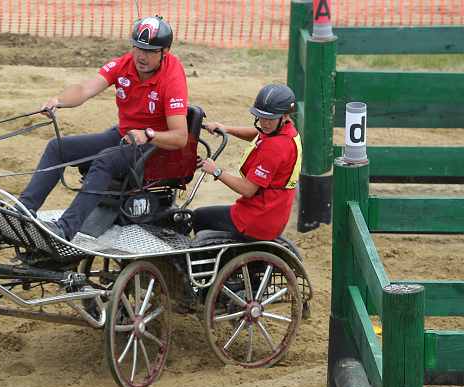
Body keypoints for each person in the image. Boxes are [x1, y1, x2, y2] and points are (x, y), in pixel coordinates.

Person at [17, 16, 189, 241]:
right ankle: (24, 212)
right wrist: (57, 100)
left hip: (153, 148)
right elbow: (84, 89)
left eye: (150, 51)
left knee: (104, 161)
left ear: (165, 51)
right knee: (58, 147)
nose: (141, 56)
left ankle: (65, 229)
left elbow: (180, 137)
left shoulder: (172, 77)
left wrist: (148, 134)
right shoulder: (123, 64)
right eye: (137, 48)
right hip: (124, 136)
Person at [194, 83, 302, 241]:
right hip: (273, 214)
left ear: (285, 115)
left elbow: (247, 189)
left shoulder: (274, 150)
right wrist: (226, 128)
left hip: (256, 219)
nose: (264, 122)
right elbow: (259, 134)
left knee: (197, 217)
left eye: (270, 118)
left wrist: (216, 171)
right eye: (261, 116)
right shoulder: (284, 130)